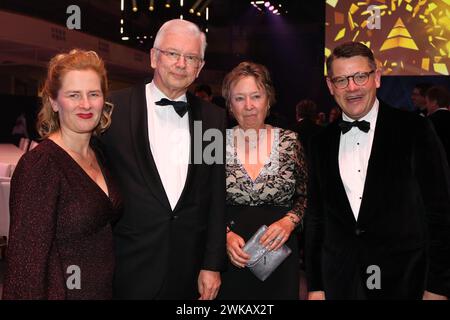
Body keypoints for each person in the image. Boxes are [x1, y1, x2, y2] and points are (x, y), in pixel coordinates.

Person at [305, 41, 450, 300]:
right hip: (341, 282)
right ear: (330, 86)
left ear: (377, 78)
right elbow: (317, 219)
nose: (352, 87)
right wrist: (316, 285)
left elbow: (439, 212)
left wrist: (438, 286)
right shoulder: (320, 143)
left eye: (360, 76)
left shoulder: (415, 130)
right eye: (341, 80)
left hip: (404, 281)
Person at [99, 19, 227, 300]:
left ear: (200, 67)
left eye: (191, 57)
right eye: (172, 53)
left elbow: (216, 196)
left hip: (190, 270)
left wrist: (212, 264)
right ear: (154, 57)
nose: (181, 64)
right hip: (128, 265)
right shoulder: (112, 109)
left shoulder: (213, 119)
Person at [3, 49, 122, 299]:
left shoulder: (100, 153)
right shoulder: (41, 165)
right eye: (73, 95)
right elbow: (25, 268)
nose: (86, 104)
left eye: (93, 94)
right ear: (54, 102)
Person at [218, 61, 307, 299]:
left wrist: (290, 221)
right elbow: (200, 200)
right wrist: (223, 234)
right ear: (229, 105)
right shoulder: (212, 141)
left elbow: (307, 196)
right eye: (239, 98)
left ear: (268, 100)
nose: (248, 106)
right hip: (230, 258)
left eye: (256, 96)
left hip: (280, 258)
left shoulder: (290, 142)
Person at [425, 85, 450, 164]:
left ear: (434, 102)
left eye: (427, 102)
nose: (426, 106)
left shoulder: (429, 121)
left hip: (438, 164)